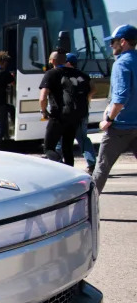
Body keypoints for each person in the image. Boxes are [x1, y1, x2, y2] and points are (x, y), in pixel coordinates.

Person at [93, 24, 137, 192]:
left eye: (113, 42)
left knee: (101, 170)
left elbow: (121, 98)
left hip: (120, 127)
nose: (111, 45)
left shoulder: (121, 64)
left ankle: (87, 208)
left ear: (123, 42)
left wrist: (108, 119)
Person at [39, 51, 90, 166]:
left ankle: (59, 165)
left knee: (48, 148)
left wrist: (44, 111)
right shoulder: (79, 73)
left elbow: (43, 97)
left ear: (52, 61)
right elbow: (92, 87)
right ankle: (69, 171)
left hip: (58, 116)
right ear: (65, 61)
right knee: (68, 148)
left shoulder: (51, 73)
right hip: (75, 115)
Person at [55, 53, 97, 170]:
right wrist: (86, 99)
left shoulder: (63, 76)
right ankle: (92, 163)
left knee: (59, 139)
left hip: (67, 113)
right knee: (83, 139)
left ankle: (55, 162)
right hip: (82, 112)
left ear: (68, 63)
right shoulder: (84, 76)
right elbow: (93, 89)